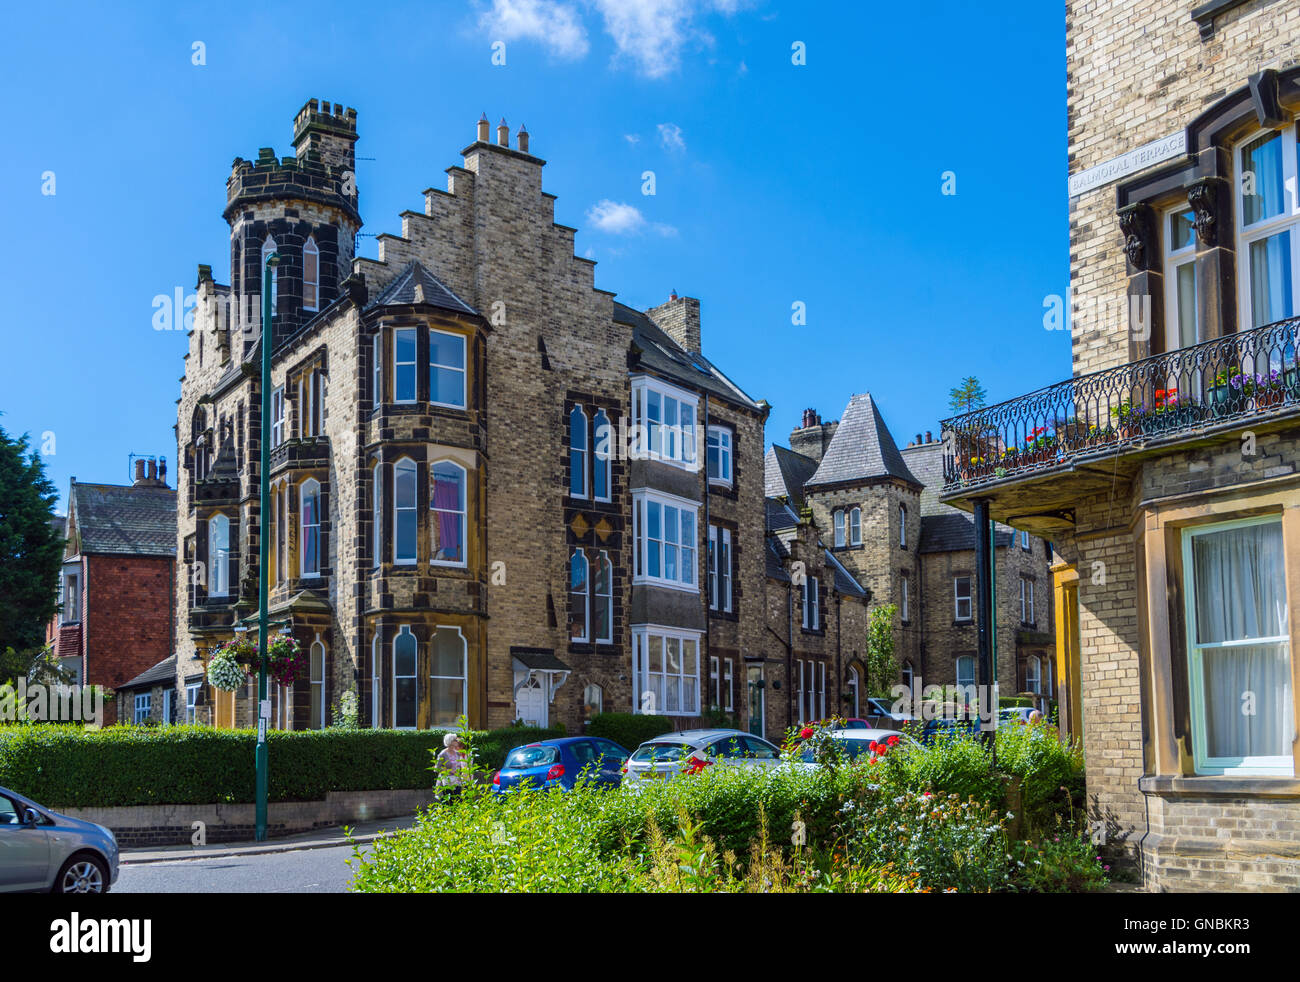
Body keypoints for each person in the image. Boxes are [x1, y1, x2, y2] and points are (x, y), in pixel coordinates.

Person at [435, 732, 468, 802]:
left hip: (457, 781)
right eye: (455, 740)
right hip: (447, 782)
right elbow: (437, 768)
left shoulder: (457, 753)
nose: (457, 741)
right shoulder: (443, 754)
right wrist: (449, 771)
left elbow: (460, 766)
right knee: (448, 803)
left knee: (457, 802)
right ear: (450, 742)